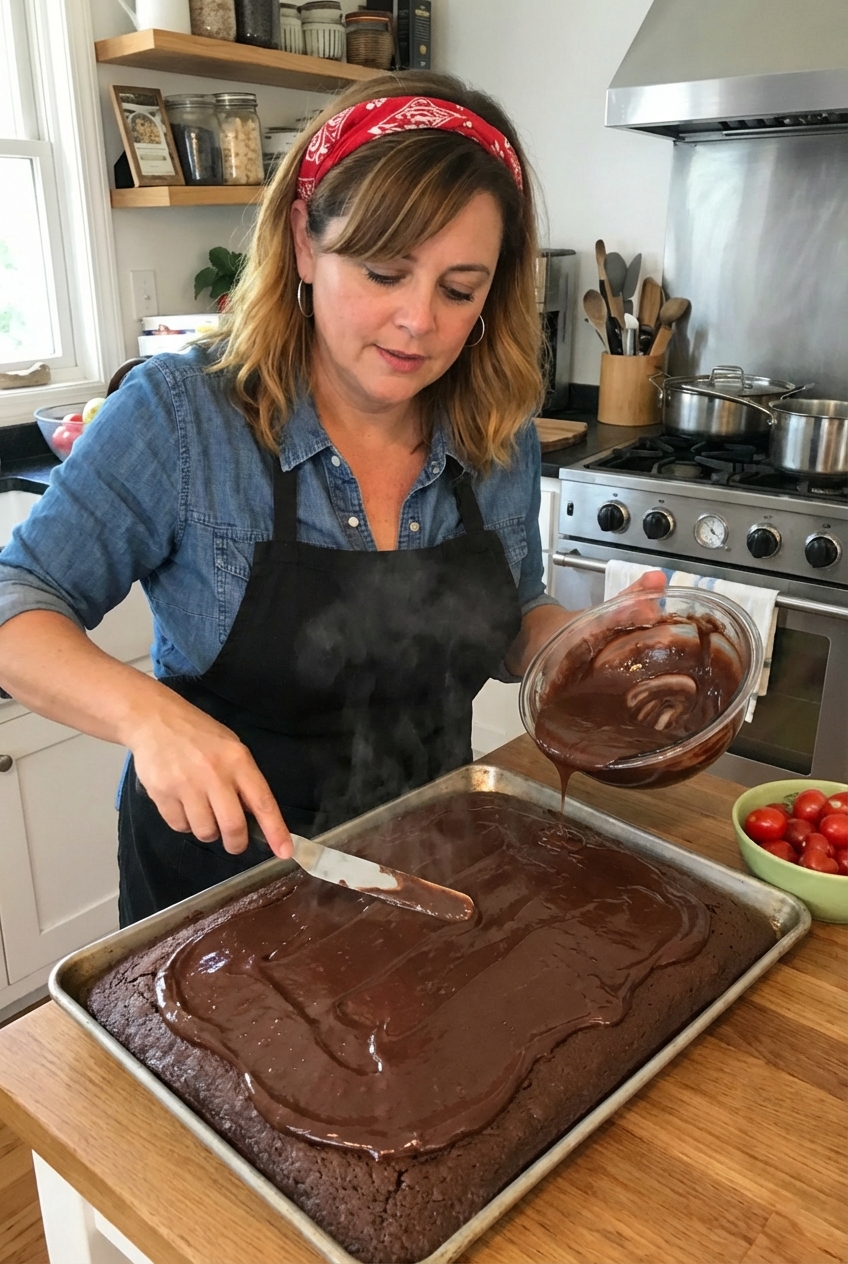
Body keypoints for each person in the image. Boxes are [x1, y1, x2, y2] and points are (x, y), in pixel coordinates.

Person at [0, 71, 663, 925]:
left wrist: (570, 644)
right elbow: (16, 599)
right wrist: (148, 718)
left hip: (432, 867)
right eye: (385, 272)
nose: (419, 321)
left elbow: (512, 613)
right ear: (305, 244)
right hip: (222, 893)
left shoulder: (498, 427)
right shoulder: (183, 417)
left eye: (459, 289)